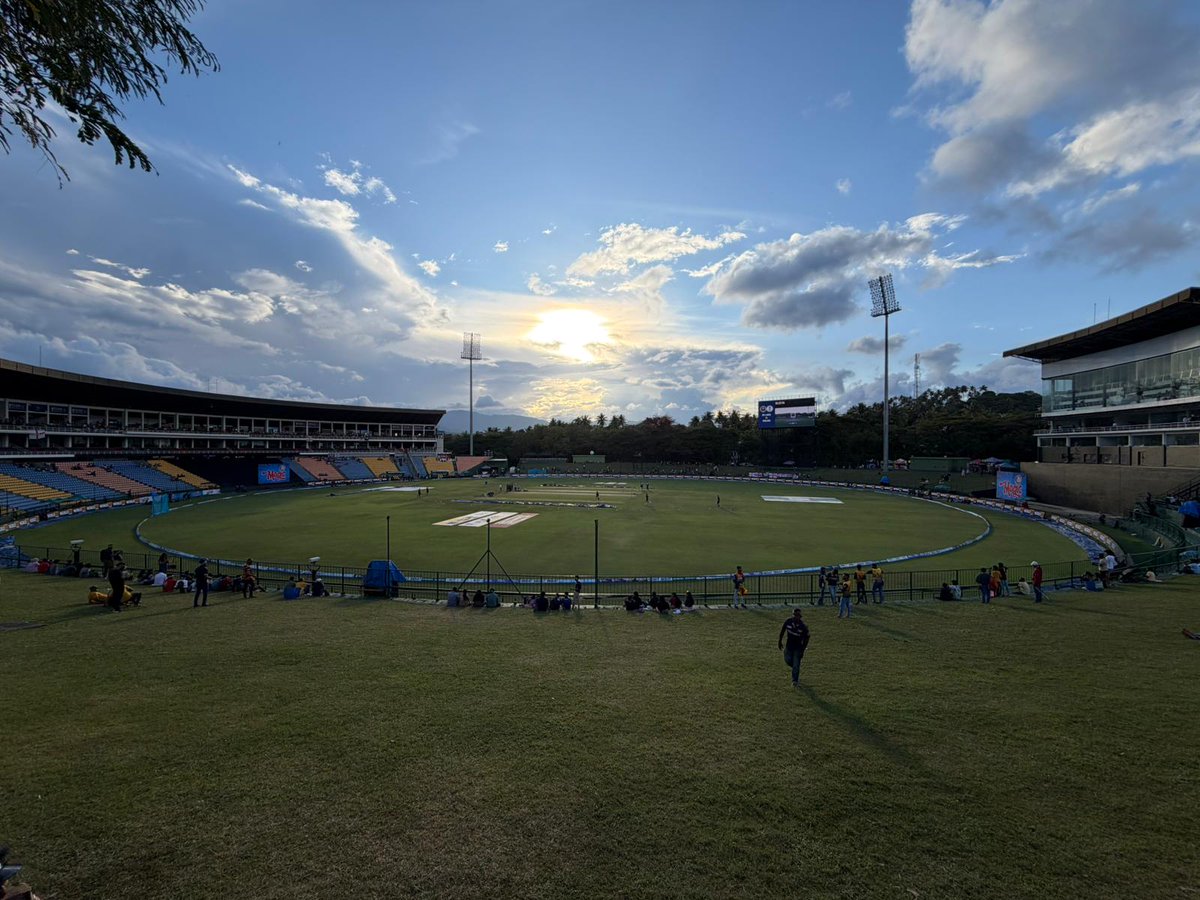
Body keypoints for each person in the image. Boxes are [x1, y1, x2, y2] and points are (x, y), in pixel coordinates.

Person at [777, 608, 810, 687]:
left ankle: (795, 680)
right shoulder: (788, 621)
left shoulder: (803, 627)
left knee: (796, 664)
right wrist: (780, 641)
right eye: (795, 615)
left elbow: (807, 637)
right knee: (787, 660)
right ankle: (796, 667)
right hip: (789, 646)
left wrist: (803, 649)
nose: (796, 617)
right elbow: (783, 630)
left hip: (797, 648)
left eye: (798, 616)